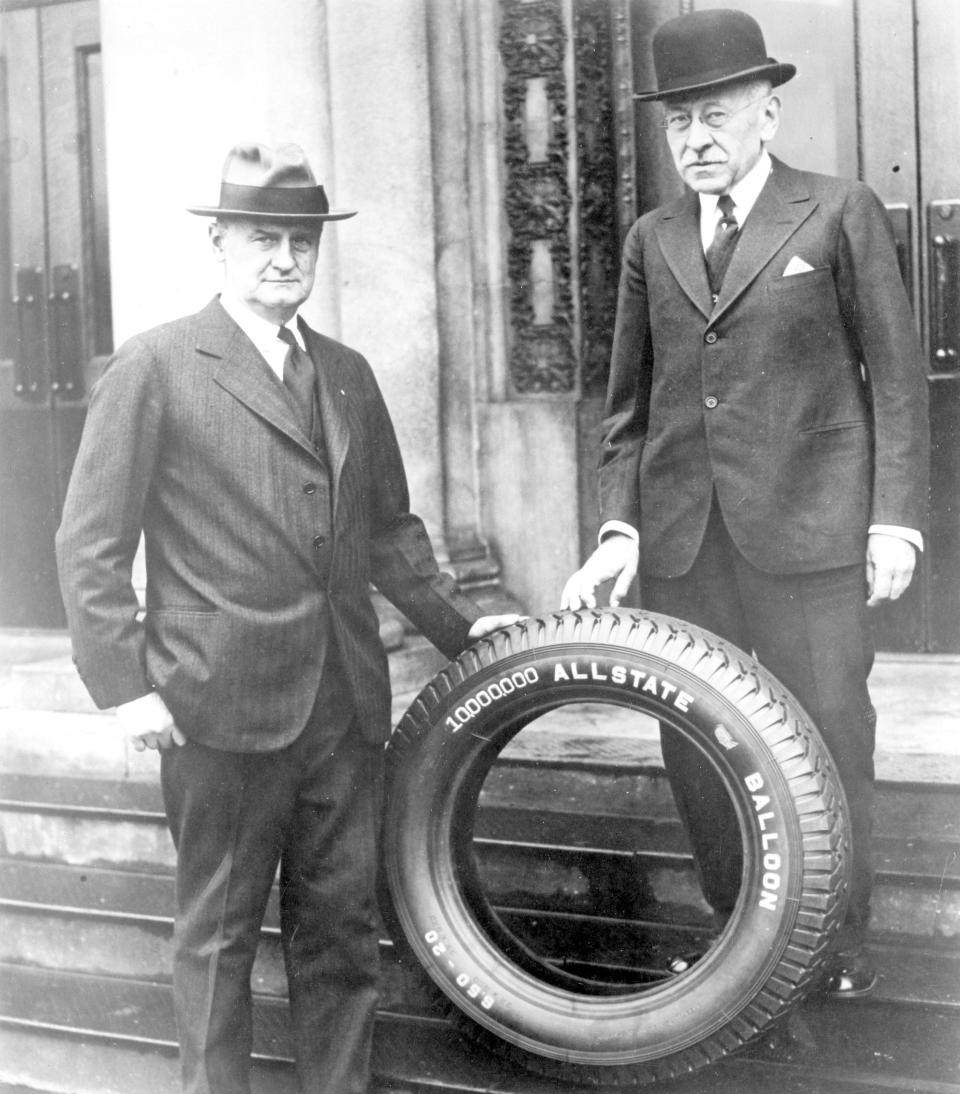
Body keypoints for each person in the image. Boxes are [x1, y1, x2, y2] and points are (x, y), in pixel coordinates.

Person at [55, 142, 518, 1094]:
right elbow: (89, 543)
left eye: (301, 242)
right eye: (263, 239)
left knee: (342, 937)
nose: (284, 260)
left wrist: (457, 626)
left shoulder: (345, 371)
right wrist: (127, 689)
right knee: (220, 943)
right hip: (216, 709)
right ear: (218, 245)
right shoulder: (155, 366)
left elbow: (388, 530)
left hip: (343, 710)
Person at [562, 9, 928, 998]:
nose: (698, 141)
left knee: (829, 729)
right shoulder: (652, 238)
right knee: (700, 743)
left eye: (716, 116)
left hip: (813, 535)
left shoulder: (839, 211)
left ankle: (839, 942)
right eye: (679, 124)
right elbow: (626, 407)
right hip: (687, 544)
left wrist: (893, 517)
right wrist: (617, 530)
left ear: (768, 112)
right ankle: (736, 942)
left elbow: (896, 380)